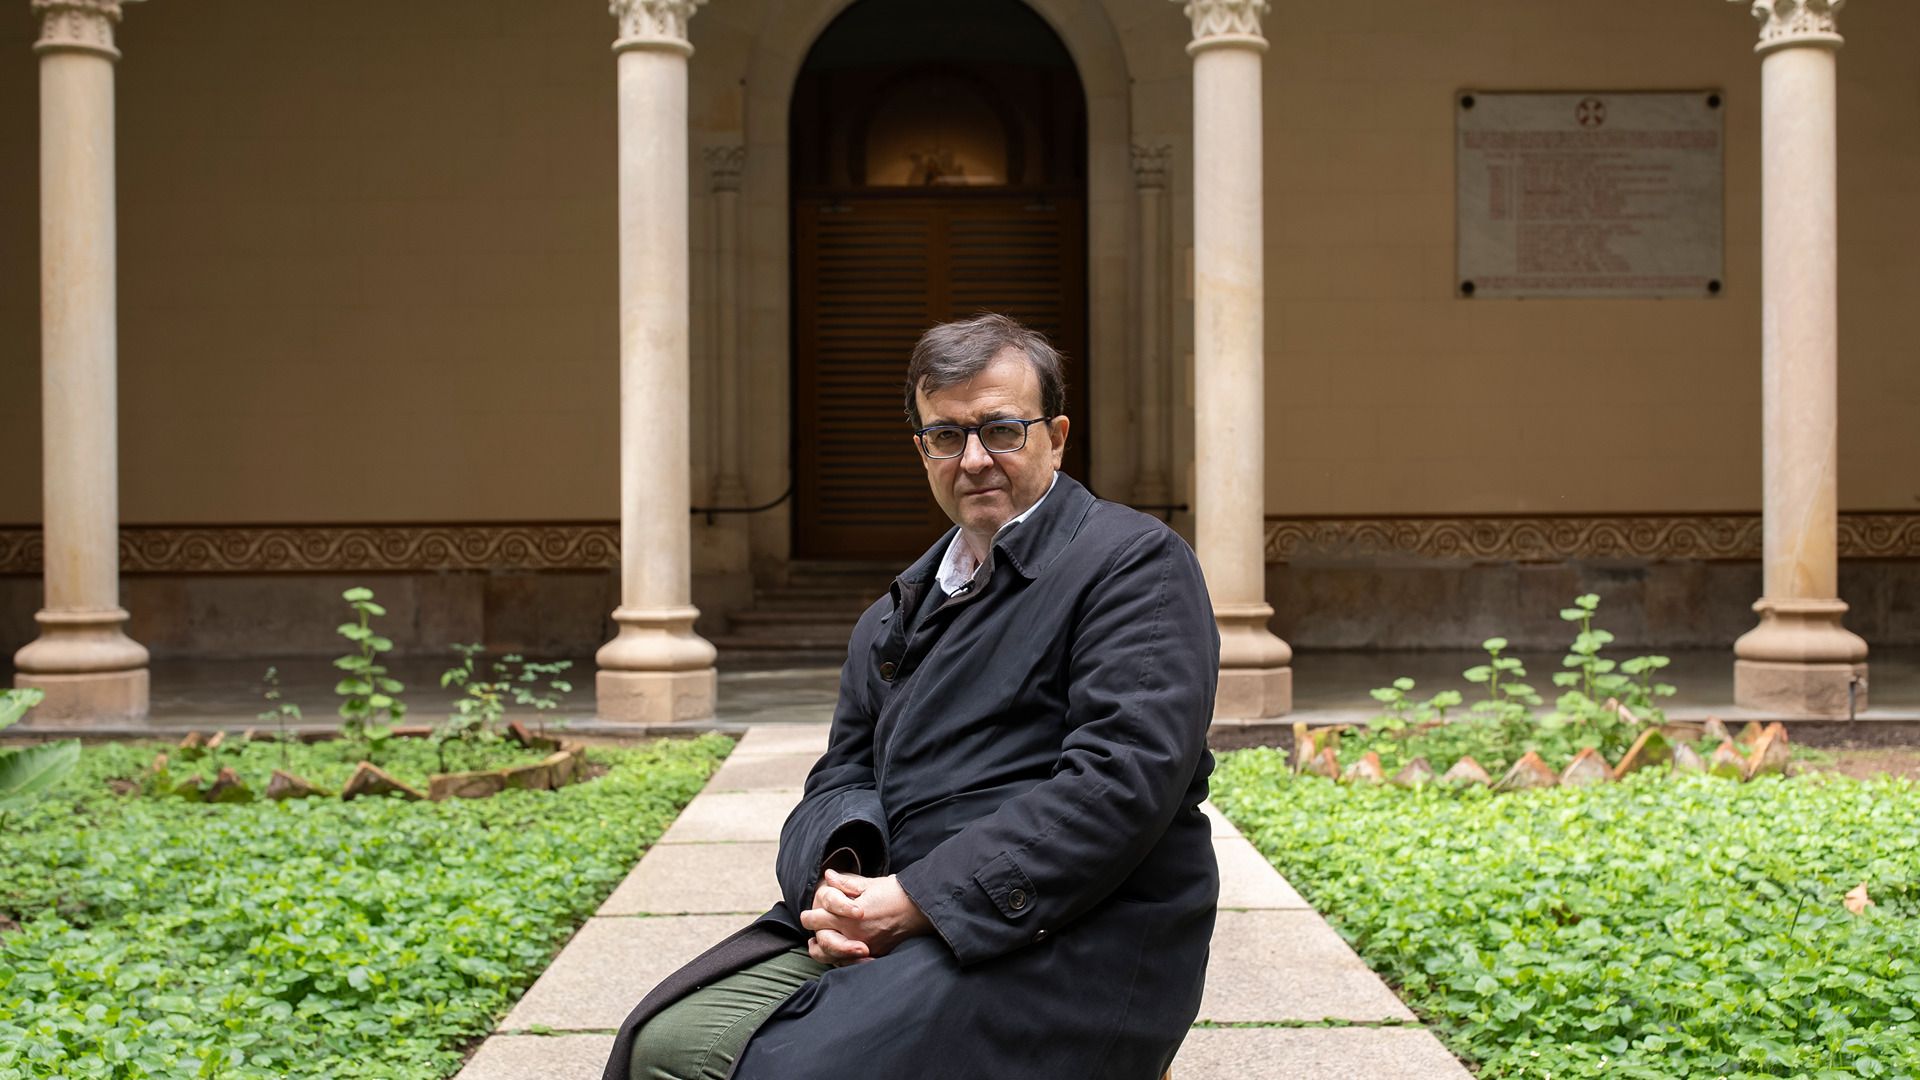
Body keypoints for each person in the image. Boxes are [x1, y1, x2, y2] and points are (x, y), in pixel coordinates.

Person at [604, 313, 1220, 1080]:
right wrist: (841, 882)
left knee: (785, 1071)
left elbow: (1119, 782)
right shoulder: (894, 612)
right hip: (895, 913)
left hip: (1073, 934)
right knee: (664, 1048)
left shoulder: (1134, 567)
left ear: (1056, 437)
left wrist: (920, 901)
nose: (974, 460)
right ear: (922, 450)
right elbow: (838, 777)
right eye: (946, 436)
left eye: (1001, 430)